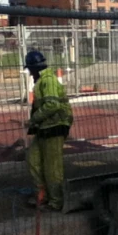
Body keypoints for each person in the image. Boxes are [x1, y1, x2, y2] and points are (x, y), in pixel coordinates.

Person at [24, 50, 73, 211]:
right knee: (33, 159)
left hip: (55, 126)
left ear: (34, 68)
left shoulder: (48, 81)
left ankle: (56, 201)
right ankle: (42, 194)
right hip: (45, 127)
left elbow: (52, 105)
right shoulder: (42, 81)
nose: (30, 73)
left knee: (52, 167)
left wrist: (33, 119)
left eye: (30, 69)